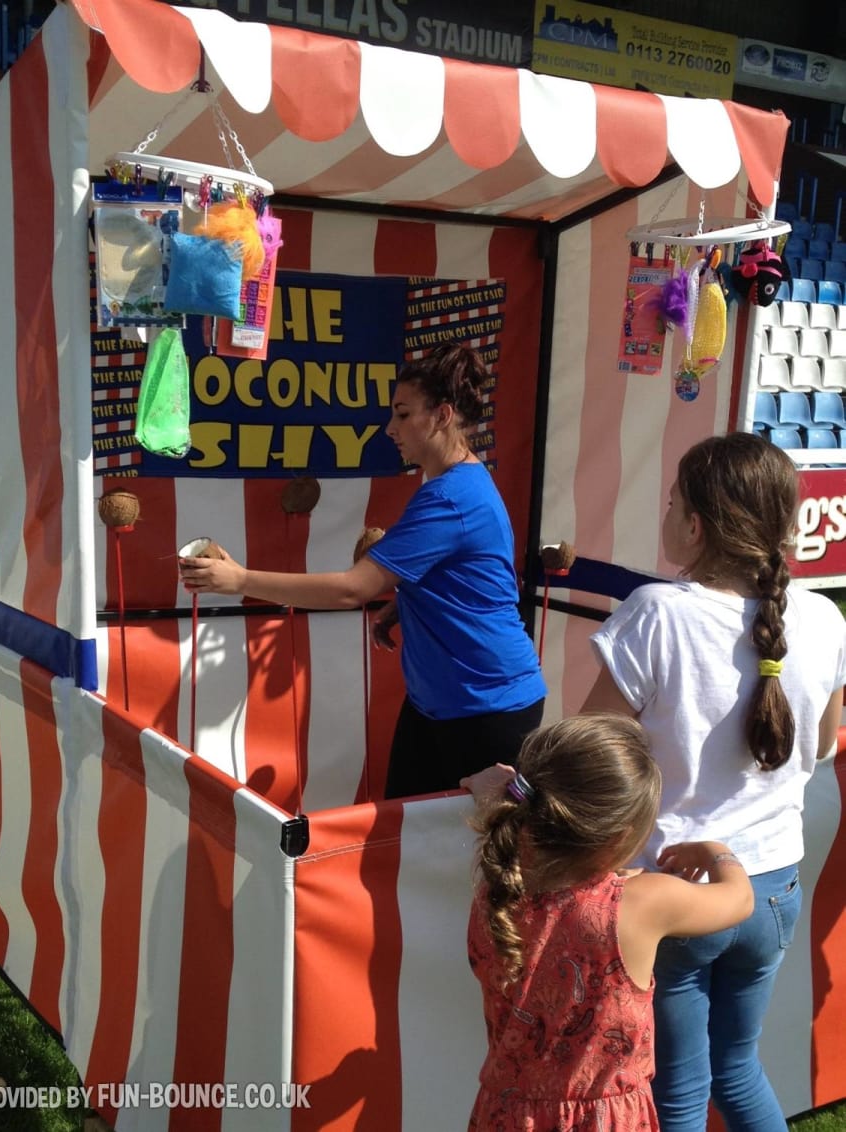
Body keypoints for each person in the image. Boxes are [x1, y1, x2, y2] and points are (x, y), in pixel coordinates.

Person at [581, 432, 846, 1132]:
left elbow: (587, 755)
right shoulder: (824, 617)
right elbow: (822, 746)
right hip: (774, 887)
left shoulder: (657, 612)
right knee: (736, 1069)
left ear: (695, 525)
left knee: (676, 1091)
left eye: (672, 503)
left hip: (675, 890)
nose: (666, 514)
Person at [179, 340, 545, 798]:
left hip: (488, 707)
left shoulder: (451, 496)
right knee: (403, 830)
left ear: (443, 416)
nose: (390, 428)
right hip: (440, 702)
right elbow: (467, 578)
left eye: (403, 414)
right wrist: (408, 604)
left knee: (468, 840)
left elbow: (353, 589)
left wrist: (241, 580)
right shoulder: (458, 481)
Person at [460, 713, 754, 1132]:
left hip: (506, 1113)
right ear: (620, 837)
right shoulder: (641, 902)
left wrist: (495, 791)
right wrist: (714, 851)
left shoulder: (498, 885)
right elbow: (740, 899)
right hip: (604, 1121)